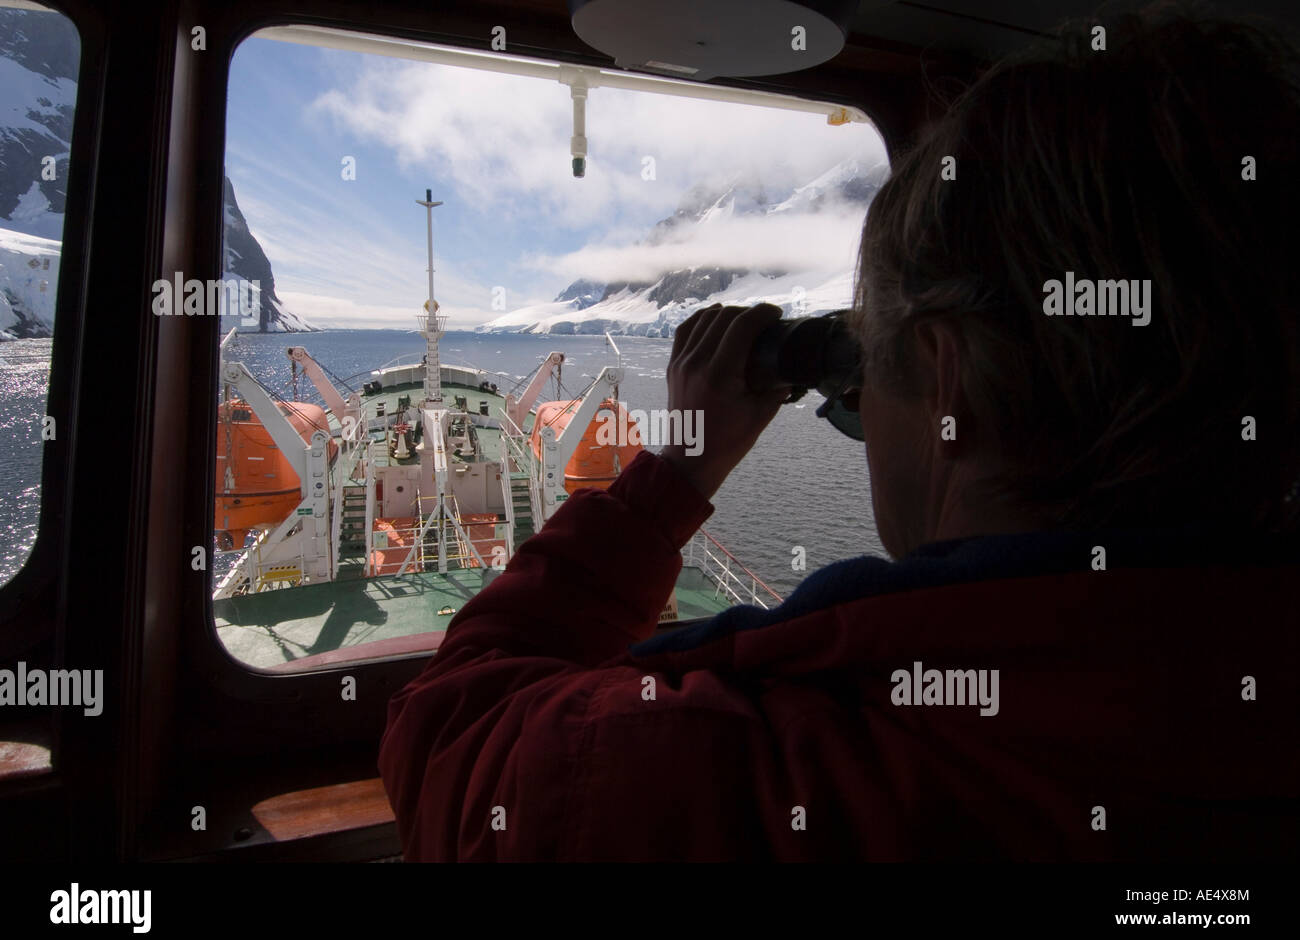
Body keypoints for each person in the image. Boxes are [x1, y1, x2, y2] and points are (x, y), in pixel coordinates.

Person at [379, 7, 1299, 861]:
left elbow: (450, 734)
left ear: (947, 380)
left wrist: (674, 473)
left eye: (871, 363)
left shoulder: (761, 771)